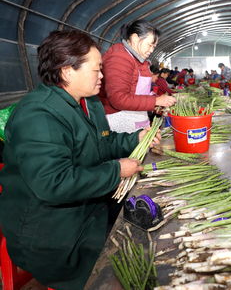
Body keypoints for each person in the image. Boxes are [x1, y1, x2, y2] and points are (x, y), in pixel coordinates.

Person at [0, 30, 159, 290]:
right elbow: (54, 184)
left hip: (88, 210)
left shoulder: (89, 103)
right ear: (67, 71)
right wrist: (116, 170)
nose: (102, 76)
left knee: (142, 240)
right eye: (97, 69)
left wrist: (135, 138)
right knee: (125, 270)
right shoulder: (39, 115)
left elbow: (101, 143)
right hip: (53, 234)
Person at [99, 19, 175, 133]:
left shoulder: (139, 60)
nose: (151, 50)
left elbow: (138, 92)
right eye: (150, 45)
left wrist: (156, 101)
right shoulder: (119, 58)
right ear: (135, 38)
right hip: (120, 122)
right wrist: (155, 101)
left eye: (154, 47)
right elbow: (118, 99)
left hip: (136, 118)